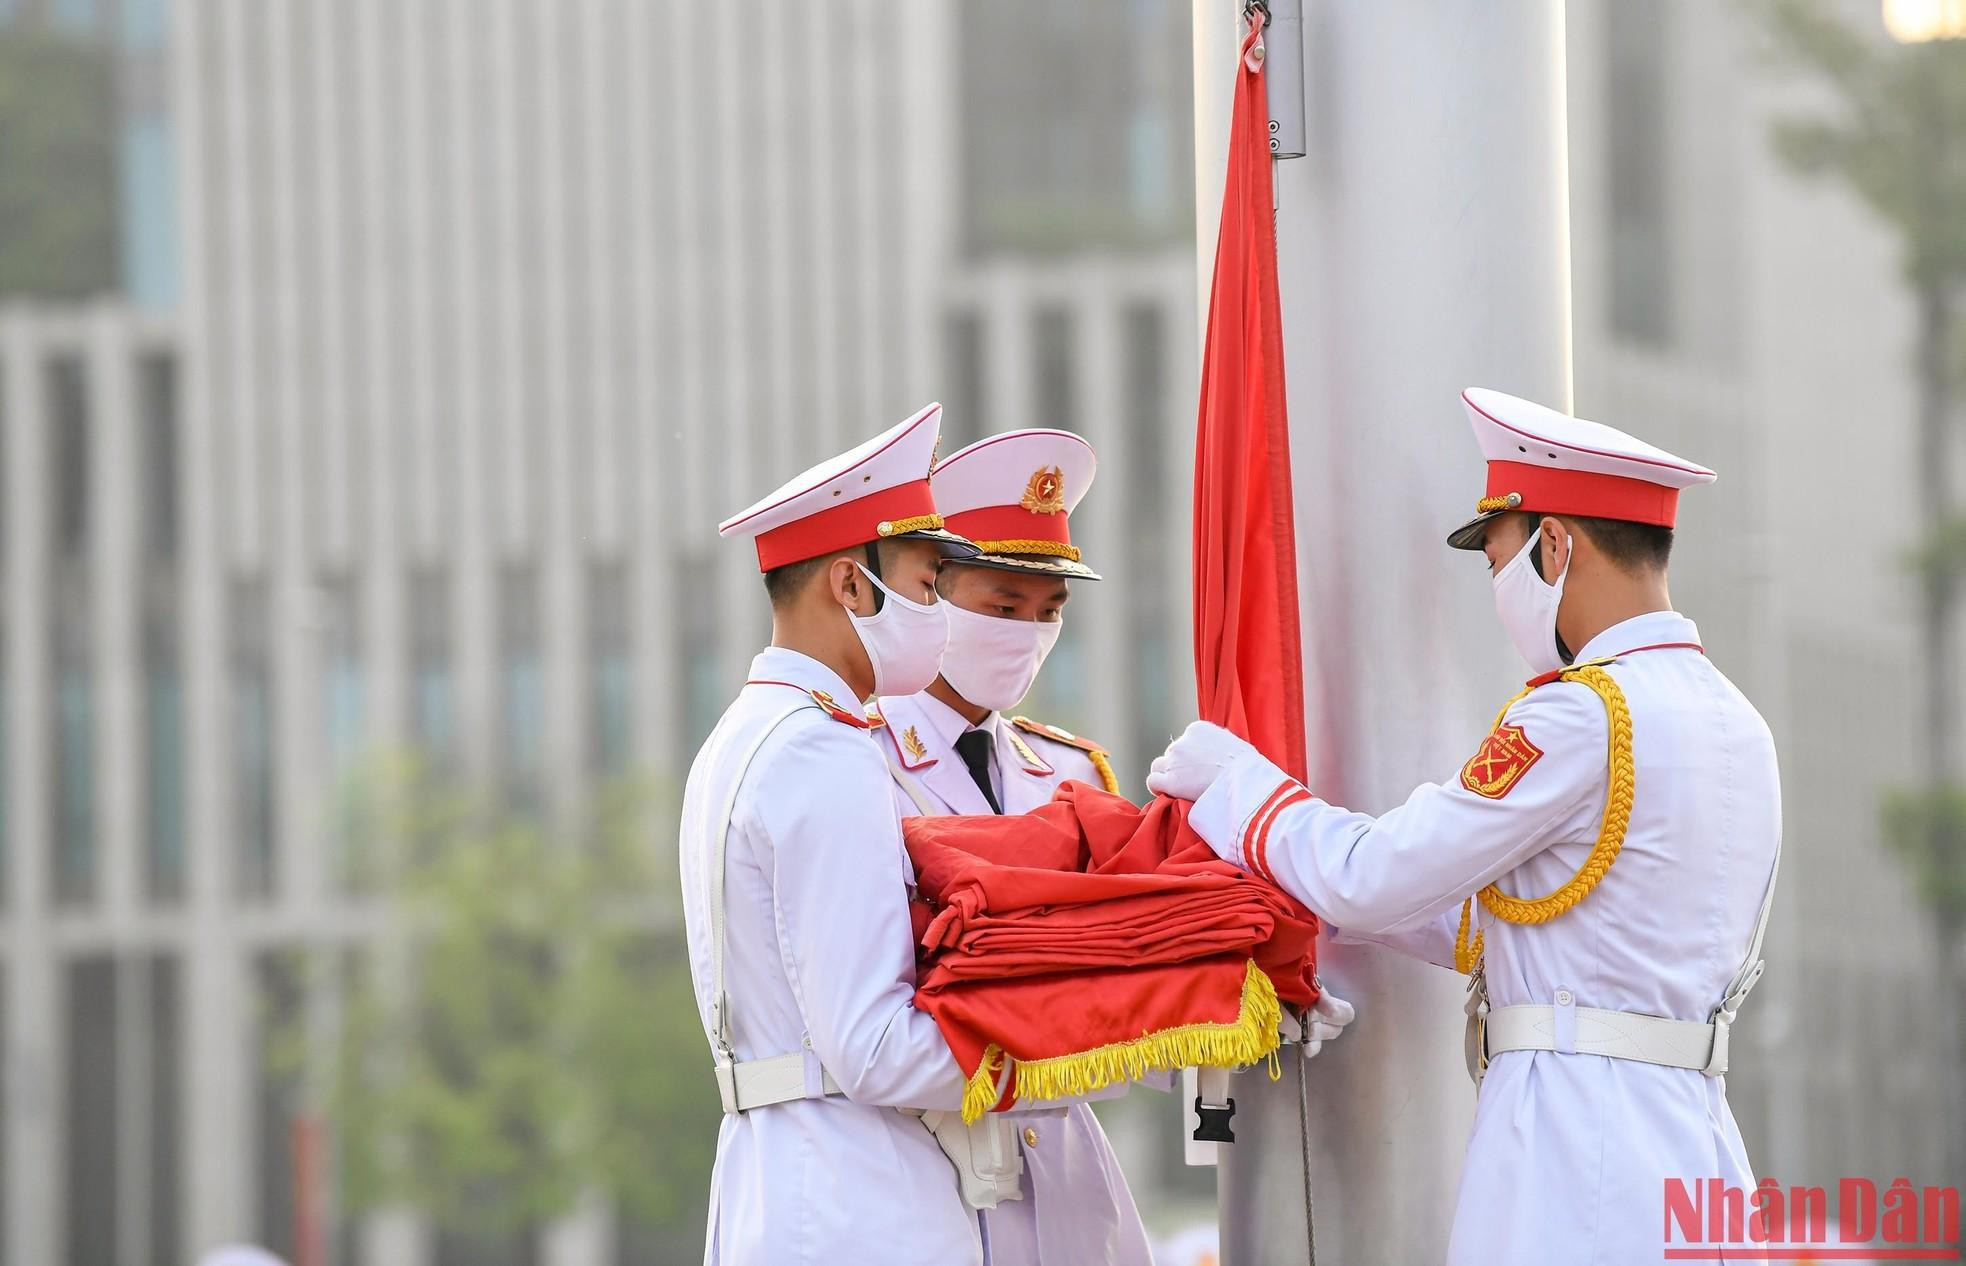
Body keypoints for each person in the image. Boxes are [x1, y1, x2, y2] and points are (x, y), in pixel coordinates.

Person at [1147, 388, 1782, 1265]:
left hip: (1574, 1143)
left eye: (1497, 559)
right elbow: (1525, 924)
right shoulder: (1738, 723)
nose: (1497, 588)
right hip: (1693, 1137)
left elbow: (1377, 878)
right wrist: (1309, 896)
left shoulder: (1578, 716)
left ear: (1555, 545)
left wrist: (1240, 788)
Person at [680, 402, 989, 1265]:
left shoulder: (743, 736)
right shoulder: (824, 749)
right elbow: (875, 1049)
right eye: (927, 585)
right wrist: (1072, 1032)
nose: (937, 612)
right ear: (851, 585)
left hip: (772, 1177)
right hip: (858, 1192)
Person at [872, 428, 1153, 1265]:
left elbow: (1122, 964)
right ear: (932, 592)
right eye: (1003, 608)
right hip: (926, 1146)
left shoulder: (1071, 771)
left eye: (1049, 612)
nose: (1028, 632)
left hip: (1065, 1163)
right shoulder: (857, 756)